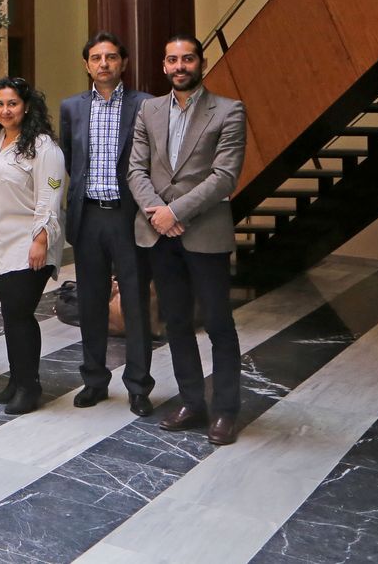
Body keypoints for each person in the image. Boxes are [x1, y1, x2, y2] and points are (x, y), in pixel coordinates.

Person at [128, 34, 247, 446]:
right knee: (175, 321)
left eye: (188, 59)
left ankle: (226, 410)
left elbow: (225, 176)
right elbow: (135, 171)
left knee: (218, 323)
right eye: (172, 59)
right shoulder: (149, 109)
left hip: (205, 233)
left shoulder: (229, 111)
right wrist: (157, 213)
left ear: (201, 62)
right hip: (158, 235)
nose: (180, 66)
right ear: (163, 66)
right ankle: (193, 402)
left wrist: (174, 212)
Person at [58, 32, 155, 417]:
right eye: (96, 58)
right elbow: (70, 158)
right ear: (86, 65)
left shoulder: (145, 105)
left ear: (123, 63)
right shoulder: (71, 108)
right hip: (89, 216)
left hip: (129, 216)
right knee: (92, 302)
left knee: (134, 302)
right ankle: (94, 380)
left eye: (111, 57)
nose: (103, 64)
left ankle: (138, 386)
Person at [0, 76, 64, 414]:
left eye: (12, 104)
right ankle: (17, 378)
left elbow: (50, 196)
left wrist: (41, 239)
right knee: (11, 315)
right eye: (0, 104)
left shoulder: (43, 147)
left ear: (26, 107)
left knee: (20, 314)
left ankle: (30, 386)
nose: (6, 110)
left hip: (27, 246)